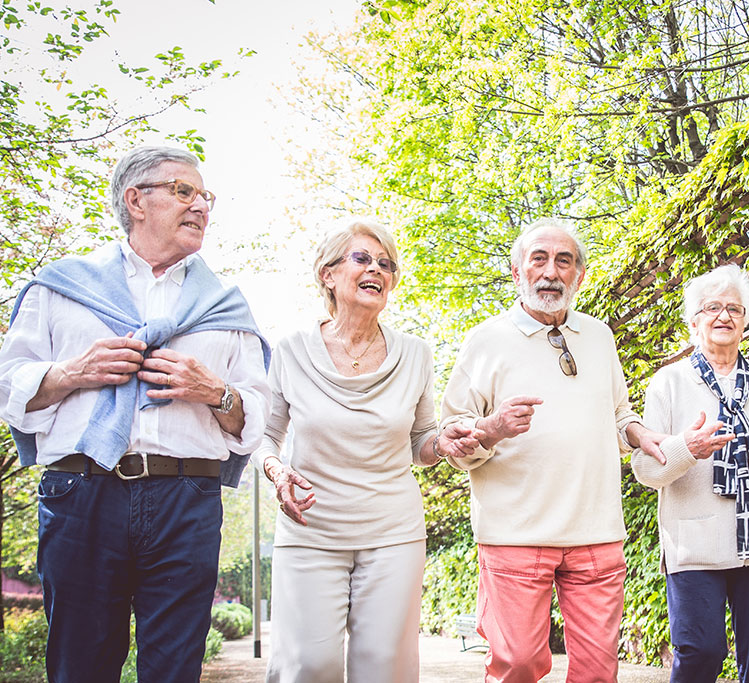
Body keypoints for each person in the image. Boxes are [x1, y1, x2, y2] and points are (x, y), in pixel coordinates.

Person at [0, 146, 271, 683]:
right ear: (136, 200)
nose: (201, 207)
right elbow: (10, 383)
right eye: (183, 191)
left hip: (186, 499)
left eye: (205, 197)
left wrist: (214, 392)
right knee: (79, 666)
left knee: (174, 670)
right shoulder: (60, 288)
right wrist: (70, 373)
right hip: (80, 494)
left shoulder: (227, 305)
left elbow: (256, 417)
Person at [440, 218, 668, 683]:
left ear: (579, 275)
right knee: (518, 664)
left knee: (599, 672)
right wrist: (491, 428)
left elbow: (620, 413)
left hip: (597, 530)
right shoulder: (485, 340)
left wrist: (640, 433)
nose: (550, 271)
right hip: (515, 535)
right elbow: (451, 435)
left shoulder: (600, 336)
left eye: (563, 261)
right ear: (516, 272)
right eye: (538, 259)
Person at [257, 220, 479, 683]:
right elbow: (266, 437)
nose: (376, 269)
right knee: (308, 666)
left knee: (384, 667)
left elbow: (422, 441)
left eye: (386, 264)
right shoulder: (291, 350)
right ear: (328, 273)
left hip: (392, 530)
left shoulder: (416, 353)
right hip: (310, 527)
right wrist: (278, 475)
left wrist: (445, 442)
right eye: (362, 258)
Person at [631, 264, 749, 683]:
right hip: (694, 543)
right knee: (700, 651)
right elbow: (644, 469)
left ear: (747, 319)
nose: (724, 316)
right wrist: (685, 449)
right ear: (693, 322)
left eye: (734, 307)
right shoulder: (668, 383)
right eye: (712, 308)